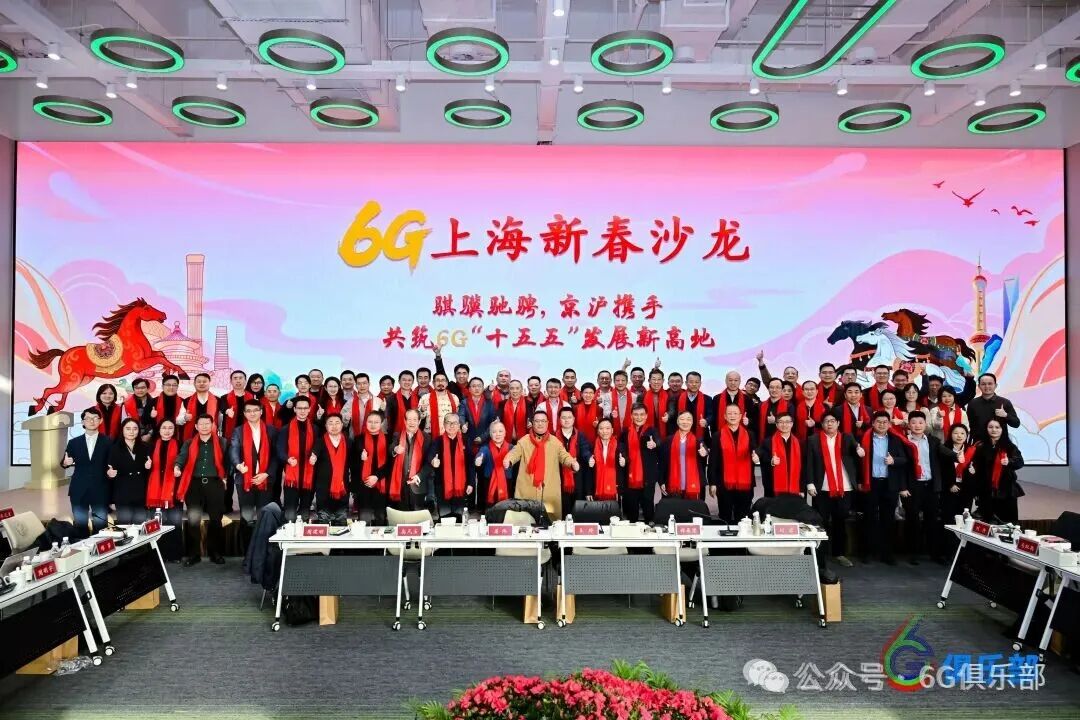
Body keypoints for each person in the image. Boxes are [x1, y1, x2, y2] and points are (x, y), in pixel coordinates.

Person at [503, 410, 580, 520]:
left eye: (543, 421)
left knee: (551, 522)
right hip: (527, 490)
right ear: (532, 423)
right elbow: (514, 453)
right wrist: (508, 460)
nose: (540, 424)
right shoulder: (524, 441)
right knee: (525, 521)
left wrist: (572, 463)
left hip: (549, 490)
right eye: (537, 421)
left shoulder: (555, 442)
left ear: (547, 423)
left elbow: (564, 456)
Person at [804, 412, 858, 568]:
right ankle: (820, 555)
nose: (829, 424)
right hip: (822, 487)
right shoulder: (813, 440)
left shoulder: (847, 438)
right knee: (821, 522)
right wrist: (810, 483)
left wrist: (859, 449)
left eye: (833, 421)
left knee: (840, 521)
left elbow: (857, 451)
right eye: (826, 421)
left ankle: (839, 553)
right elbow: (809, 463)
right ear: (822, 424)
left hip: (844, 487)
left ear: (838, 423)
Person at [174, 414, 229, 565]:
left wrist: (226, 477)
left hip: (214, 484)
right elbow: (182, 457)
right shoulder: (189, 442)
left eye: (207, 423)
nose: (204, 426)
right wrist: (177, 467)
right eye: (201, 424)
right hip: (194, 485)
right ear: (196, 426)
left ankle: (215, 552)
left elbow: (227, 461)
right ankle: (194, 554)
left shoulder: (222, 442)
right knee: (193, 520)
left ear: (212, 425)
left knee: (216, 520)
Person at [859, 411, 910, 565]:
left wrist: (894, 460)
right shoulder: (864, 438)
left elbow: (904, 459)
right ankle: (868, 552)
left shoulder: (895, 439)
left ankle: (887, 554)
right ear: (873, 423)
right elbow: (857, 461)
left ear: (889, 424)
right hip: (871, 483)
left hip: (889, 484)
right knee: (869, 518)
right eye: (878, 422)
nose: (881, 424)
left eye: (885, 422)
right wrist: (860, 481)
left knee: (888, 519)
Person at [230, 399, 278, 539]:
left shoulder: (271, 430)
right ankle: (246, 550)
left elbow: (276, 456)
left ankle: (262, 549)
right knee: (247, 518)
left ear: (261, 412)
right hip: (245, 479)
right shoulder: (238, 431)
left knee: (265, 517)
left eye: (255, 410)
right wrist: (238, 465)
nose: (252, 413)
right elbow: (233, 450)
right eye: (249, 411)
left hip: (265, 480)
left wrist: (267, 474)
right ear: (244, 414)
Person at [61, 408, 112, 534]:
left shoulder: (108, 441)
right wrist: (65, 463)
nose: (92, 421)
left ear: (100, 421)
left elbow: (112, 463)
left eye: (95, 418)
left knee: (101, 526)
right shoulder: (74, 442)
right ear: (83, 422)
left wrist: (111, 472)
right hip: (79, 489)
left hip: (100, 488)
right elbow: (64, 462)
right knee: (80, 526)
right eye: (88, 418)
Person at [902, 411, 942, 564]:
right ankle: (913, 553)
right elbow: (901, 468)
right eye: (913, 422)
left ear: (925, 424)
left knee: (932, 519)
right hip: (912, 486)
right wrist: (903, 487)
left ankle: (933, 552)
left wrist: (956, 455)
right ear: (909, 425)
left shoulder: (934, 441)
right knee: (912, 520)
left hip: (930, 485)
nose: (917, 425)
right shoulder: (904, 442)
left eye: (920, 422)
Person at [971, 418, 1024, 523]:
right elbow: (975, 465)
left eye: (997, 427)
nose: (994, 430)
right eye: (990, 427)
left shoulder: (1009, 446)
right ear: (986, 429)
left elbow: (1020, 462)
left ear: (1002, 429)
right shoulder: (980, 446)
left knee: (1007, 523)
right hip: (986, 491)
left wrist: (1009, 462)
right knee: (987, 523)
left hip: (1006, 491)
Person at [145, 418, 183, 560]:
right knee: (157, 524)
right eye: (164, 428)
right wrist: (146, 466)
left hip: (173, 491)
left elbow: (184, 464)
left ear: (174, 430)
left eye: (170, 428)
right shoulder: (150, 446)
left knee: (174, 522)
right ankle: (158, 555)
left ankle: (174, 555)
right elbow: (144, 467)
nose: (167, 431)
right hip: (155, 492)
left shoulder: (180, 445)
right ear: (159, 430)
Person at [276, 395, 318, 522]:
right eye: (299, 408)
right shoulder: (286, 429)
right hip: (292, 477)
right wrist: (287, 459)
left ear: (309, 409)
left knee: (305, 512)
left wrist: (315, 455)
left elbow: (318, 448)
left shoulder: (315, 429)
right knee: (290, 513)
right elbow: (280, 450)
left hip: (309, 476)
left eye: (305, 408)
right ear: (294, 409)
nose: (302, 411)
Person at [709, 404, 752, 523]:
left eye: (735, 413)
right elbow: (713, 461)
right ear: (725, 416)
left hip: (745, 482)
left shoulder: (749, 434)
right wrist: (712, 483)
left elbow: (756, 452)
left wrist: (756, 456)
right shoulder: (717, 435)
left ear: (740, 416)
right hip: (723, 482)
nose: (732, 416)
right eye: (729, 413)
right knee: (725, 515)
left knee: (743, 517)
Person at [426, 413, 472, 517]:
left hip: (461, 485)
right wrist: (433, 461)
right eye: (448, 422)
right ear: (444, 424)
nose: (451, 426)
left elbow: (470, 464)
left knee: (459, 518)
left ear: (459, 425)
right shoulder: (438, 441)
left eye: (454, 423)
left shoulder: (465, 440)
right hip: (442, 486)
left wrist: (471, 483)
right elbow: (429, 456)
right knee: (444, 518)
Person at [107, 418, 151, 524]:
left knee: (140, 526)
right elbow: (109, 472)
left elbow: (149, 474)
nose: (131, 432)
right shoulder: (114, 449)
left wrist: (148, 468)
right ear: (122, 430)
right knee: (125, 526)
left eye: (135, 429)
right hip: (122, 494)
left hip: (141, 493)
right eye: (128, 428)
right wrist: (109, 474)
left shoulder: (145, 447)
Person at [621, 404, 660, 522]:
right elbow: (621, 448)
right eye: (636, 414)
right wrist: (624, 458)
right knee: (631, 510)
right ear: (631, 416)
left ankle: (649, 529)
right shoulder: (625, 431)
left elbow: (659, 442)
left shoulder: (652, 430)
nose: (639, 417)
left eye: (642, 414)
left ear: (646, 415)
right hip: (629, 476)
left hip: (647, 476)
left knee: (648, 507)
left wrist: (655, 444)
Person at [310, 413, 350, 523]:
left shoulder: (348, 442)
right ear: (326, 426)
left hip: (342, 488)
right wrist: (312, 458)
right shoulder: (320, 442)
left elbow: (353, 464)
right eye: (330, 423)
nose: (334, 426)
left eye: (337, 423)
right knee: (324, 522)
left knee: (341, 523)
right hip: (323, 489)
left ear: (342, 425)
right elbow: (314, 453)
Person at [660, 410, 708, 503]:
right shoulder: (668, 441)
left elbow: (704, 452)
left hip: (694, 484)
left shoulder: (698, 441)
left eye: (688, 419)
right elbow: (662, 463)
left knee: (693, 510)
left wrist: (704, 453)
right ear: (677, 422)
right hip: (672, 485)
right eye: (682, 419)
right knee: (674, 509)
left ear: (692, 422)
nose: (685, 422)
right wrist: (661, 481)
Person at [352, 409, 391, 524]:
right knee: (364, 519)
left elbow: (391, 464)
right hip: (363, 486)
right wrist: (361, 460)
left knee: (380, 518)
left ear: (382, 423)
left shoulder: (388, 439)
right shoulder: (358, 439)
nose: (373, 425)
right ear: (366, 422)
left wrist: (377, 476)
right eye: (370, 421)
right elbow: (352, 465)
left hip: (382, 483)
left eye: (376, 422)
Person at [388, 409, 431, 512]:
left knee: (417, 517)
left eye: (415, 420)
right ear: (405, 421)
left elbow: (429, 463)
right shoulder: (397, 435)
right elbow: (390, 448)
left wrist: (419, 476)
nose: (412, 422)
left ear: (419, 421)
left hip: (418, 484)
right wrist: (395, 449)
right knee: (402, 516)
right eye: (409, 419)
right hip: (400, 484)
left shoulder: (427, 438)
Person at [753, 413, 803, 498]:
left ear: (792, 424)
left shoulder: (800, 443)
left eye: (787, 422)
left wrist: (802, 488)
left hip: (795, 487)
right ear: (776, 424)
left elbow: (804, 467)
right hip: (772, 486)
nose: (784, 425)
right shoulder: (768, 442)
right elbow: (762, 458)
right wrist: (771, 461)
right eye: (781, 422)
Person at [938, 423, 975, 534]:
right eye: (956, 433)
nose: (959, 436)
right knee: (948, 518)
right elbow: (940, 471)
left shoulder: (972, 450)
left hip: (966, 490)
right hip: (949, 489)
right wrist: (949, 485)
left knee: (964, 520)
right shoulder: (944, 450)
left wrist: (974, 471)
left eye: (962, 433)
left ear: (966, 435)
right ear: (950, 434)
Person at [554, 407, 591, 517]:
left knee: (578, 513)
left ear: (574, 419)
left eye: (569, 417)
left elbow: (585, 450)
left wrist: (589, 458)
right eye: (563, 417)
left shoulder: (580, 436)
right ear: (559, 419)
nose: (566, 420)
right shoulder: (553, 437)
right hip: (559, 479)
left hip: (578, 479)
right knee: (562, 512)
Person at [966, 373, 1021, 444]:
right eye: (983, 384)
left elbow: (1016, 424)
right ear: (979, 386)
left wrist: (1005, 415)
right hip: (979, 444)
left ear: (995, 385)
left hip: (1000, 444)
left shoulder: (1005, 402)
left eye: (990, 384)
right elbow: (970, 426)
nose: (987, 386)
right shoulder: (973, 403)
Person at [474, 420, 514, 509]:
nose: (497, 434)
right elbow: (481, 454)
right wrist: (478, 459)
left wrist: (510, 461)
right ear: (490, 434)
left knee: (506, 509)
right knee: (490, 509)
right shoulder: (485, 448)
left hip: (507, 482)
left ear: (505, 433)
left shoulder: (511, 448)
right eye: (494, 432)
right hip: (489, 482)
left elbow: (515, 456)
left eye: (500, 431)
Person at [587, 418, 623, 503]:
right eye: (601, 428)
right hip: (596, 490)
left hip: (616, 490)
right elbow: (588, 472)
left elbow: (624, 467)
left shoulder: (620, 446)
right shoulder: (592, 447)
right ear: (597, 431)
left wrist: (624, 461)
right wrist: (588, 491)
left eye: (607, 428)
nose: (604, 431)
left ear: (612, 430)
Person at [420, 373, 459, 439]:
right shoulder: (425, 398)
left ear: (447, 383)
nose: (440, 383)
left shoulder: (454, 398)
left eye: (443, 380)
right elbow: (418, 418)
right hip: (430, 436)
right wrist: (422, 410)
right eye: (437, 380)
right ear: (433, 383)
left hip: (450, 435)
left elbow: (457, 417)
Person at [674, 371, 711, 440]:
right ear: (686, 383)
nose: (694, 384)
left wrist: (706, 421)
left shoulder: (707, 399)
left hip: (702, 436)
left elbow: (711, 415)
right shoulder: (677, 398)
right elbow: (674, 416)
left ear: (700, 383)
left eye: (697, 382)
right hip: (682, 436)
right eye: (691, 382)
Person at [182, 373, 219, 441]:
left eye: (204, 381)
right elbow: (179, 420)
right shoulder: (186, 401)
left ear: (209, 383)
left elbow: (221, 420)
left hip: (211, 437)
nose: (201, 383)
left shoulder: (218, 400)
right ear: (194, 384)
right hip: (191, 436)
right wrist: (184, 418)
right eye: (199, 381)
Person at [641, 368, 670, 440]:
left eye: (659, 379)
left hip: (666, 430)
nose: (656, 382)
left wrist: (668, 415)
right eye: (654, 379)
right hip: (647, 431)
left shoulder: (668, 395)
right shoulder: (642, 396)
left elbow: (672, 409)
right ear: (649, 381)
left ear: (663, 381)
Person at [220, 369, 249, 441]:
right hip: (230, 433)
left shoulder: (252, 397)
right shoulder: (224, 397)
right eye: (235, 378)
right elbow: (223, 407)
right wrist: (227, 411)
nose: (238, 381)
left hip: (248, 431)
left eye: (240, 378)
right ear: (231, 381)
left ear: (245, 381)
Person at [122, 377, 154, 442]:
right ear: (133, 389)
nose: (140, 390)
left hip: (152, 436)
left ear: (148, 388)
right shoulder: (126, 404)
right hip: (132, 437)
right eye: (136, 388)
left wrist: (150, 435)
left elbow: (159, 422)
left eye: (142, 388)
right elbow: (123, 423)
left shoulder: (155, 402)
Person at [500, 379, 529, 443]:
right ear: (509, 390)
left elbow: (531, 417)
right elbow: (498, 418)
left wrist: (530, 422)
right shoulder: (502, 404)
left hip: (525, 441)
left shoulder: (528, 403)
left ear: (521, 390)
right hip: (506, 441)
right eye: (512, 388)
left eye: (517, 388)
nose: (514, 391)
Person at [392, 370, 420, 435]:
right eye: (404, 380)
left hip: (416, 433)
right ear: (399, 381)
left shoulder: (419, 398)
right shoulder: (391, 399)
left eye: (409, 380)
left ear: (413, 382)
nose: (407, 382)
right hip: (397, 434)